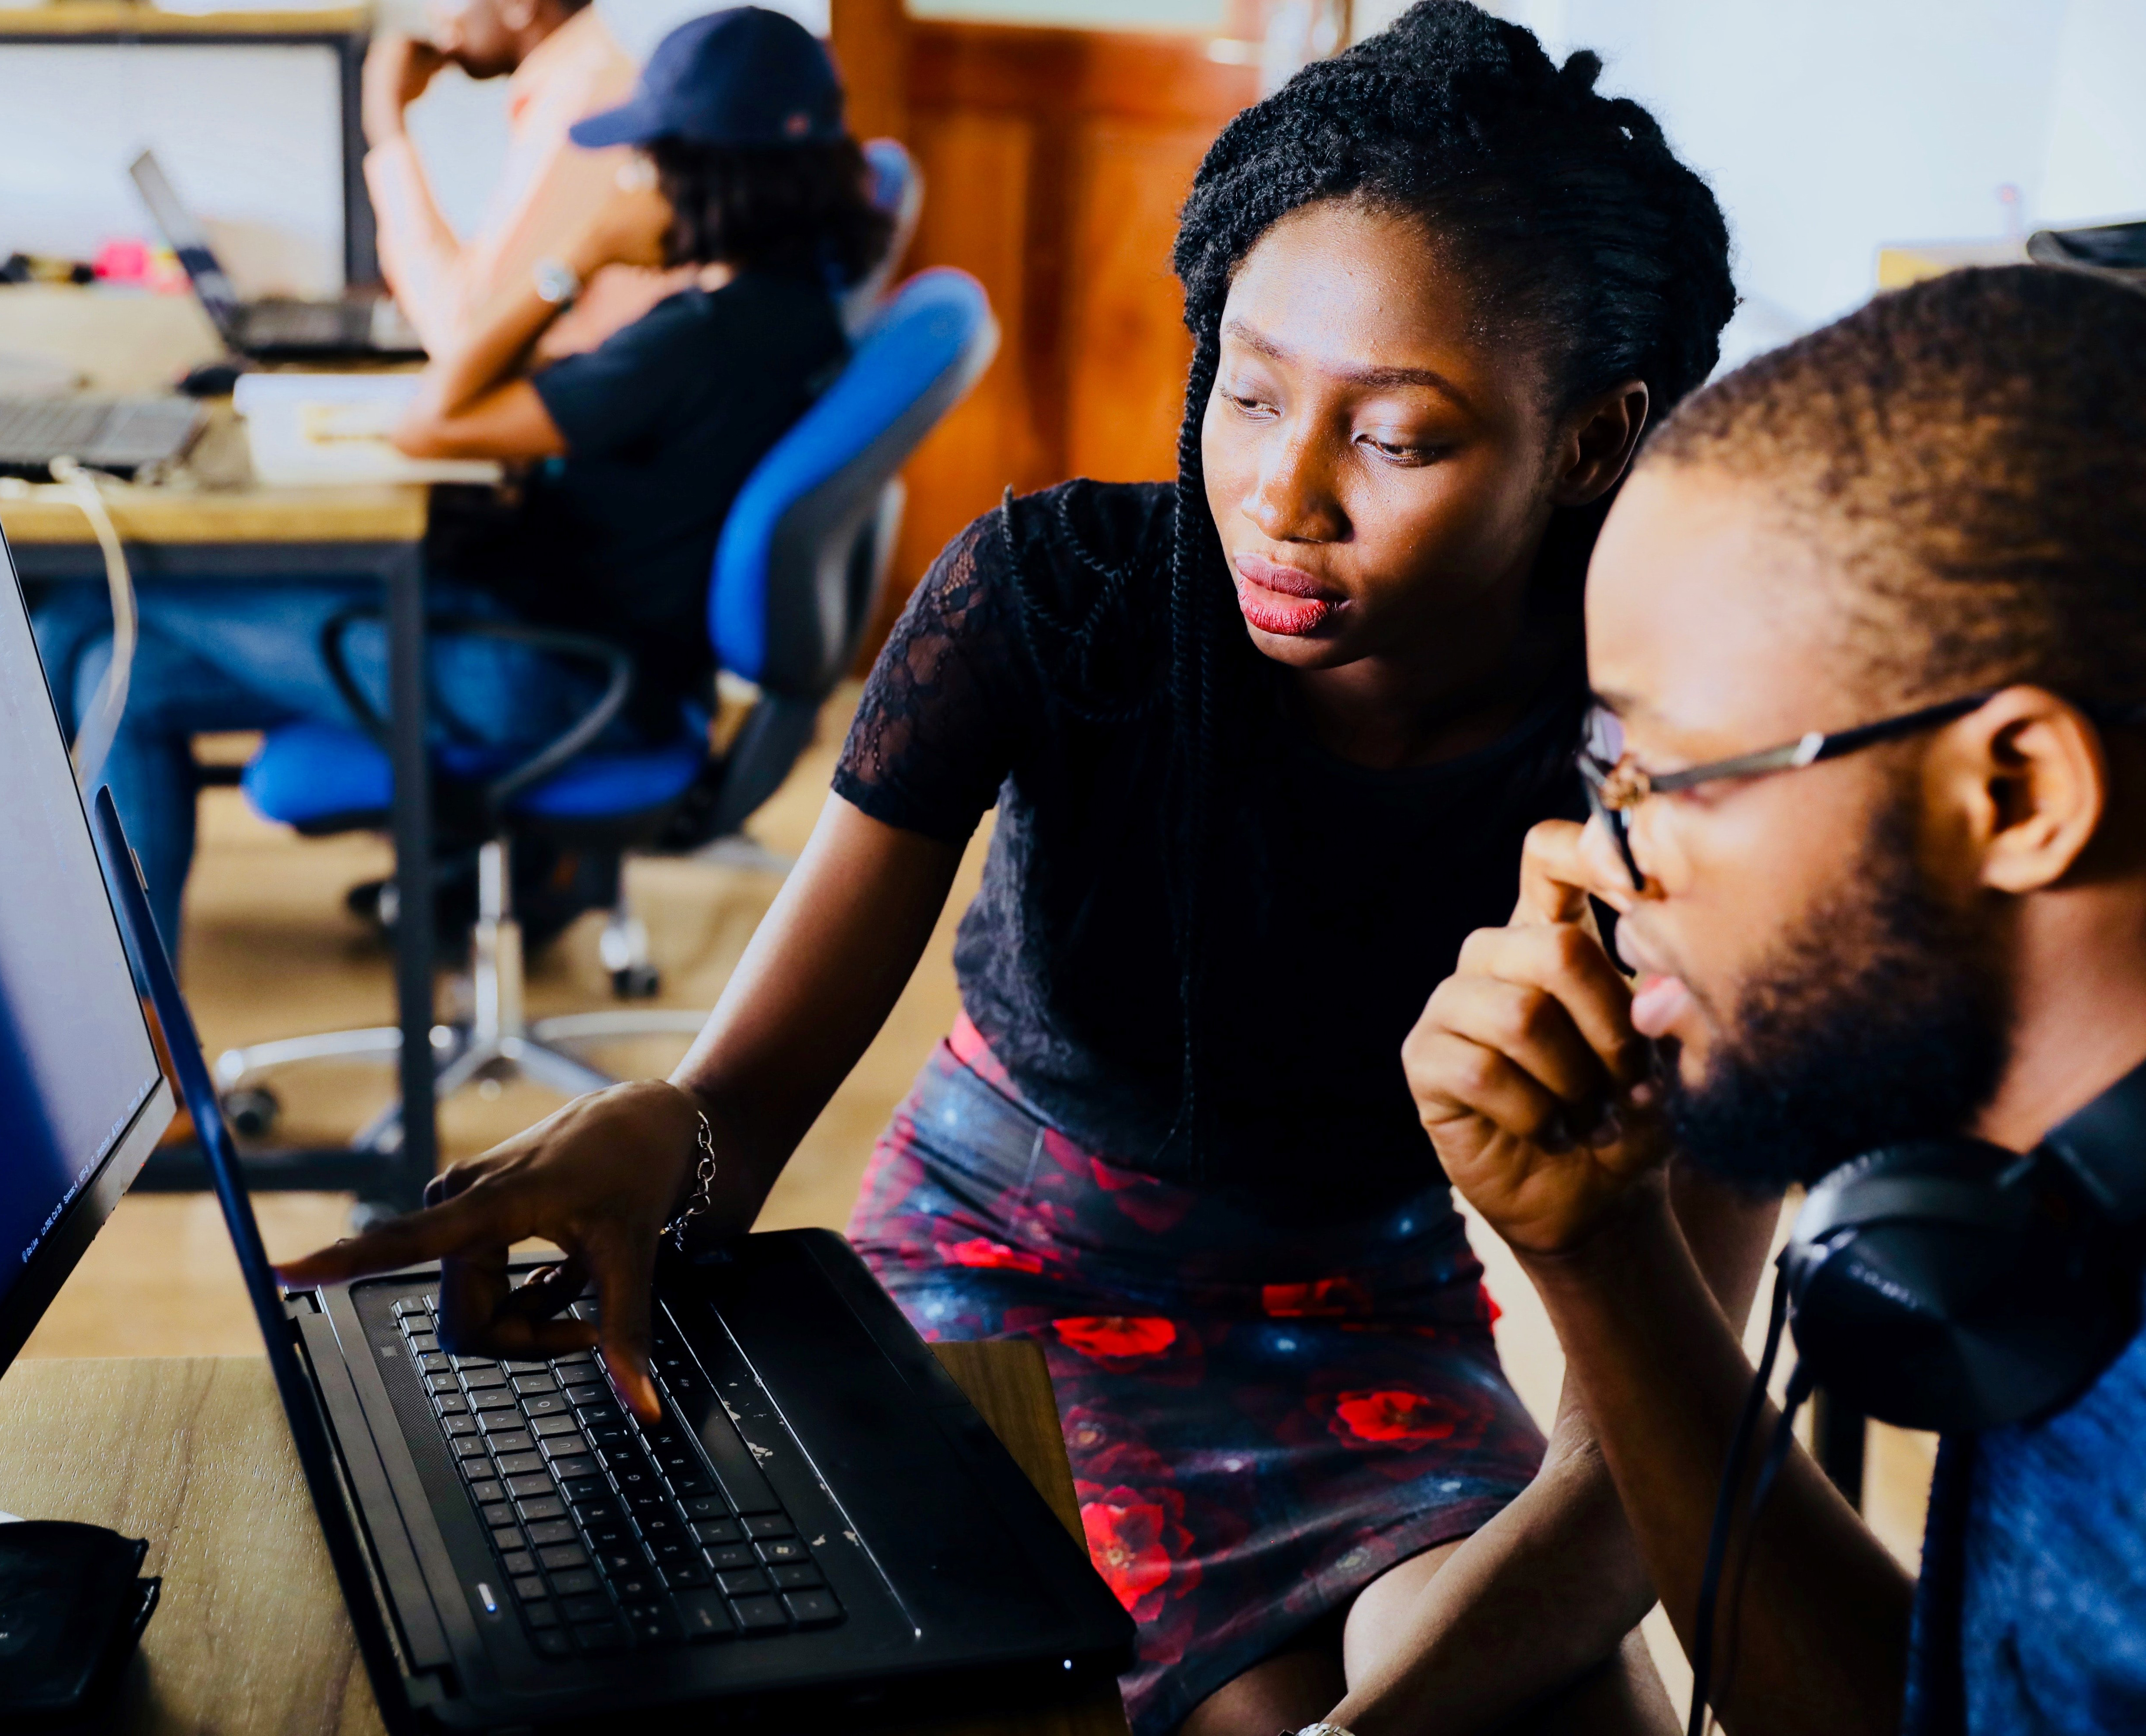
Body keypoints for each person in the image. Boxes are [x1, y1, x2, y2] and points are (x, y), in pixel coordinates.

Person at [283, 6, 1754, 1732]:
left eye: (1393, 437)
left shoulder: (1674, 775)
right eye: (1249, 391)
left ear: (1586, 441)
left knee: (1570, 1713)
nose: (1277, 494)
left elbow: (1648, 1462)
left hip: (1360, 1341)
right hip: (987, 1291)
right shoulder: (1050, 602)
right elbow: (737, 1105)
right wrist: (656, 1136)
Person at [1402, 263, 2146, 1736]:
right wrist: (1598, 1252)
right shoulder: (2034, 1215)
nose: (1586, 858)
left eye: (1659, 776)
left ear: (2012, 794)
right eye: (1595, 763)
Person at [45, 6, 891, 949]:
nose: (625, 179)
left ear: (704, 175)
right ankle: (143, 1015)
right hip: (586, 650)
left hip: (544, 675)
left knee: (87, 617)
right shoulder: (793, 311)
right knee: (119, 670)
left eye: (643, 159)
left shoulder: (694, 344)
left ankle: (96, 997)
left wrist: (573, 257)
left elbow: (433, 417)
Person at [362, 0, 691, 358]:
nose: (433, 13)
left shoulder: (580, 102)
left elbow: (468, 335)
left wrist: (387, 126)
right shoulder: (579, 82)